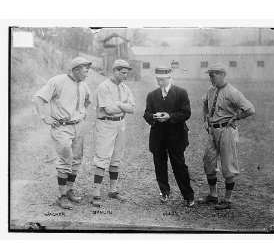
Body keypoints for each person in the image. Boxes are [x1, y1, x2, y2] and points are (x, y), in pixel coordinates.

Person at [33, 57, 92, 210]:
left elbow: (87, 101)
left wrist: (82, 113)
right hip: (62, 127)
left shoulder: (84, 84)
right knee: (66, 160)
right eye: (85, 70)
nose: (87, 73)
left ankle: (69, 190)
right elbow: (38, 98)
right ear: (76, 69)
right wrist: (45, 117)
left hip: (78, 126)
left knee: (77, 159)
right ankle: (62, 196)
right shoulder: (57, 81)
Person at [200, 63, 255, 210]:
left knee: (228, 165)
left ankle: (228, 200)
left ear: (223, 75)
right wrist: (206, 119)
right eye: (210, 75)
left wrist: (236, 117)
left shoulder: (232, 92)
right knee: (208, 162)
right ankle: (213, 195)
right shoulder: (211, 90)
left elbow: (250, 109)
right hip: (212, 130)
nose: (211, 78)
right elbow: (205, 104)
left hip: (226, 131)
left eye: (214, 75)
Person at [143, 66, 195, 207]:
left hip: (176, 135)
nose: (160, 81)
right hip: (158, 136)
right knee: (159, 165)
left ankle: (188, 195)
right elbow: (146, 114)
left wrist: (169, 116)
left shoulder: (181, 93)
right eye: (158, 79)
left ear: (169, 78)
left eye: (163, 79)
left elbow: (186, 113)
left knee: (179, 166)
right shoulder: (152, 95)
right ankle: (164, 192)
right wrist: (153, 117)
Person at [91, 59, 135, 207]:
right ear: (115, 71)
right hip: (106, 123)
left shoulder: (124, 87)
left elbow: (132, 108)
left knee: (116, 158)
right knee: (102, 157)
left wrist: (118, 105)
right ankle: (96, 193)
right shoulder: (104, 86)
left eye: (126, 73)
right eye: (123, 73)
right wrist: (124, 106)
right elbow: (108, 110)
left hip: (121, 123)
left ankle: (113, 190)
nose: (125, 75)